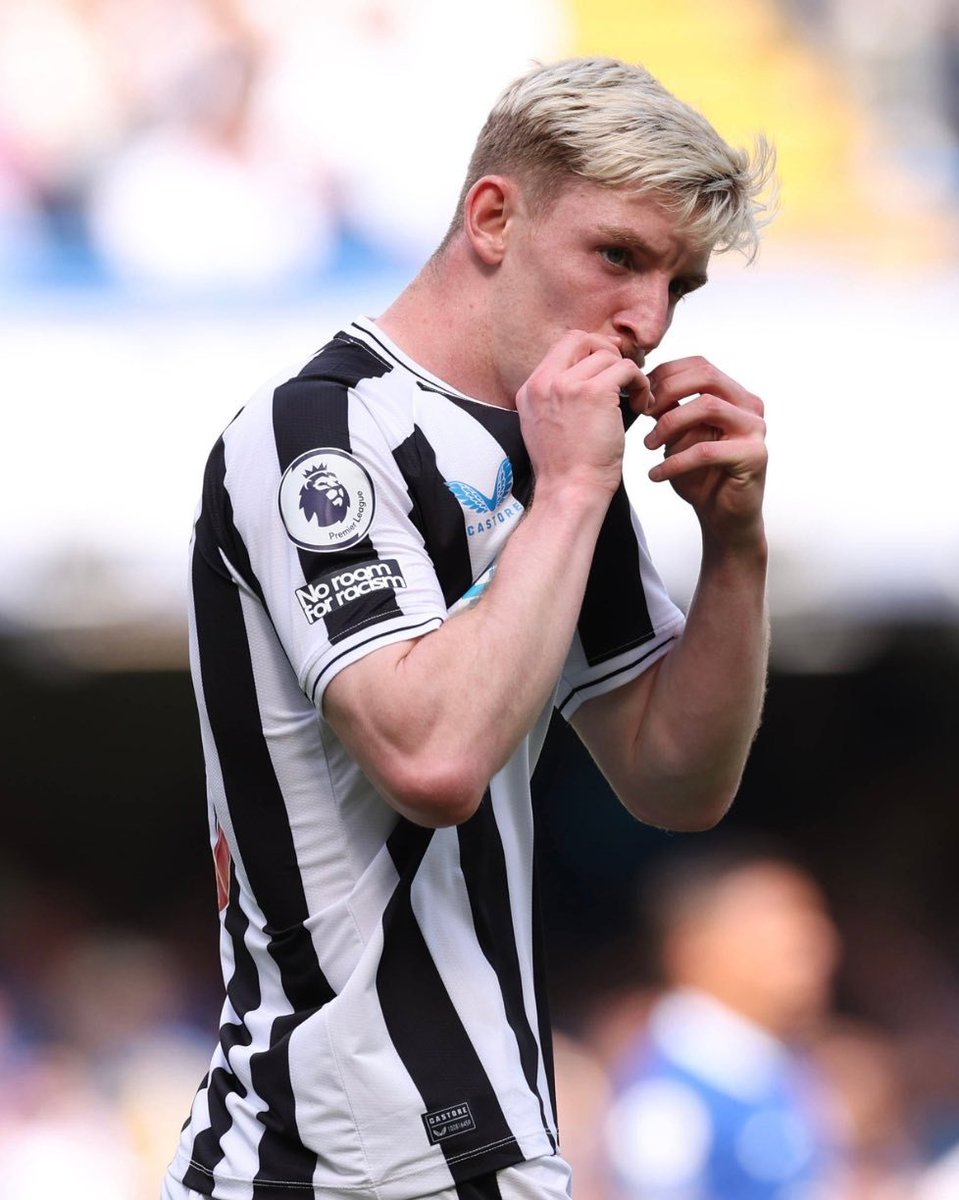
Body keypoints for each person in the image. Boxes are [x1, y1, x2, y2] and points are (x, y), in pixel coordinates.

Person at [163, 55, 774, 1200]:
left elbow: (677, 781)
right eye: (618, 257)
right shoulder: (318, 436)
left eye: (679, 286)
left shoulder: (547, 460)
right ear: (494, 216)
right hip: (335, 1161)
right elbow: (432, 757)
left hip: (496, 1143)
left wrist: (735, 547)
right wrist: (578, 492)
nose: (645, 318)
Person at [604, 848, 843, 1200]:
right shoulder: (667, 1100)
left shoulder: (772, 1067)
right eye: (777, 926)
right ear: (692, 948)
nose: (812, 946)